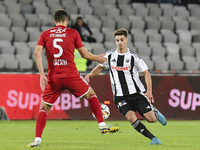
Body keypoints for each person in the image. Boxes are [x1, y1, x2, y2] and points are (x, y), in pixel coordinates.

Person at [26, 9, 119, 148]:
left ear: (54, 21)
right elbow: (85, 55)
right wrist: (97, 58)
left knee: (44, 108)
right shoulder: (73, 33)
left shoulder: (45, 34)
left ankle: (37, 140)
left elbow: (37, 52)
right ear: (67, 20)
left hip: (54, 77)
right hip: (71, 75)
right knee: (91, 94)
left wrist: (41, 75)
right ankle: (102, 125)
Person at [84, 28, 167, 145]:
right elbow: (100, 66)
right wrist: (90, 76)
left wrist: (149, 91)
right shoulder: (110, 55)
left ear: (126, 40)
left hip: (137, 93)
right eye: (117, 40)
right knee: (131, 118)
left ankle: (155, 113)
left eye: (122, 40)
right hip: (120, 96)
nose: (119, 42)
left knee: (151, 119)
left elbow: (146, 73)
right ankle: (154, 139)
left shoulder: (133, 56)